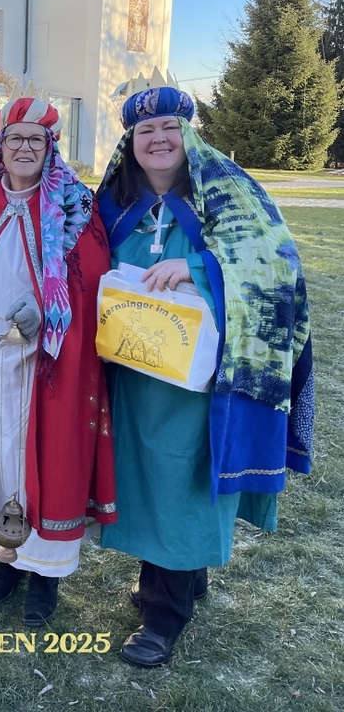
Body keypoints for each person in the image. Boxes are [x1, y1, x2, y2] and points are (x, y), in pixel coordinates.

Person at [96, 75, 314, 667]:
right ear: (131, 140)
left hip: (200, 380)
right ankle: (183, 580)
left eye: (170, 127)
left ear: (189, 134)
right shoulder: (113, 200)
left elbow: (273, 267)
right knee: (146, 476)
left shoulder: (226, 192)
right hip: (134, 372)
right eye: (146, 129)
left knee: (183, 479)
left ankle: (162, 616)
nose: (159, 139)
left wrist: (198, 268)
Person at [0, 92, 118, 627]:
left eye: (35, 140)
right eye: (14, 138)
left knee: (51, 454)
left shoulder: (73, 206)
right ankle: (8, 555)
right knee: (2, 455)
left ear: (50, 147)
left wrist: (48, 311)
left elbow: (93, 276)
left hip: (51, 362)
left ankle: (47, 572)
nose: (24, 147)